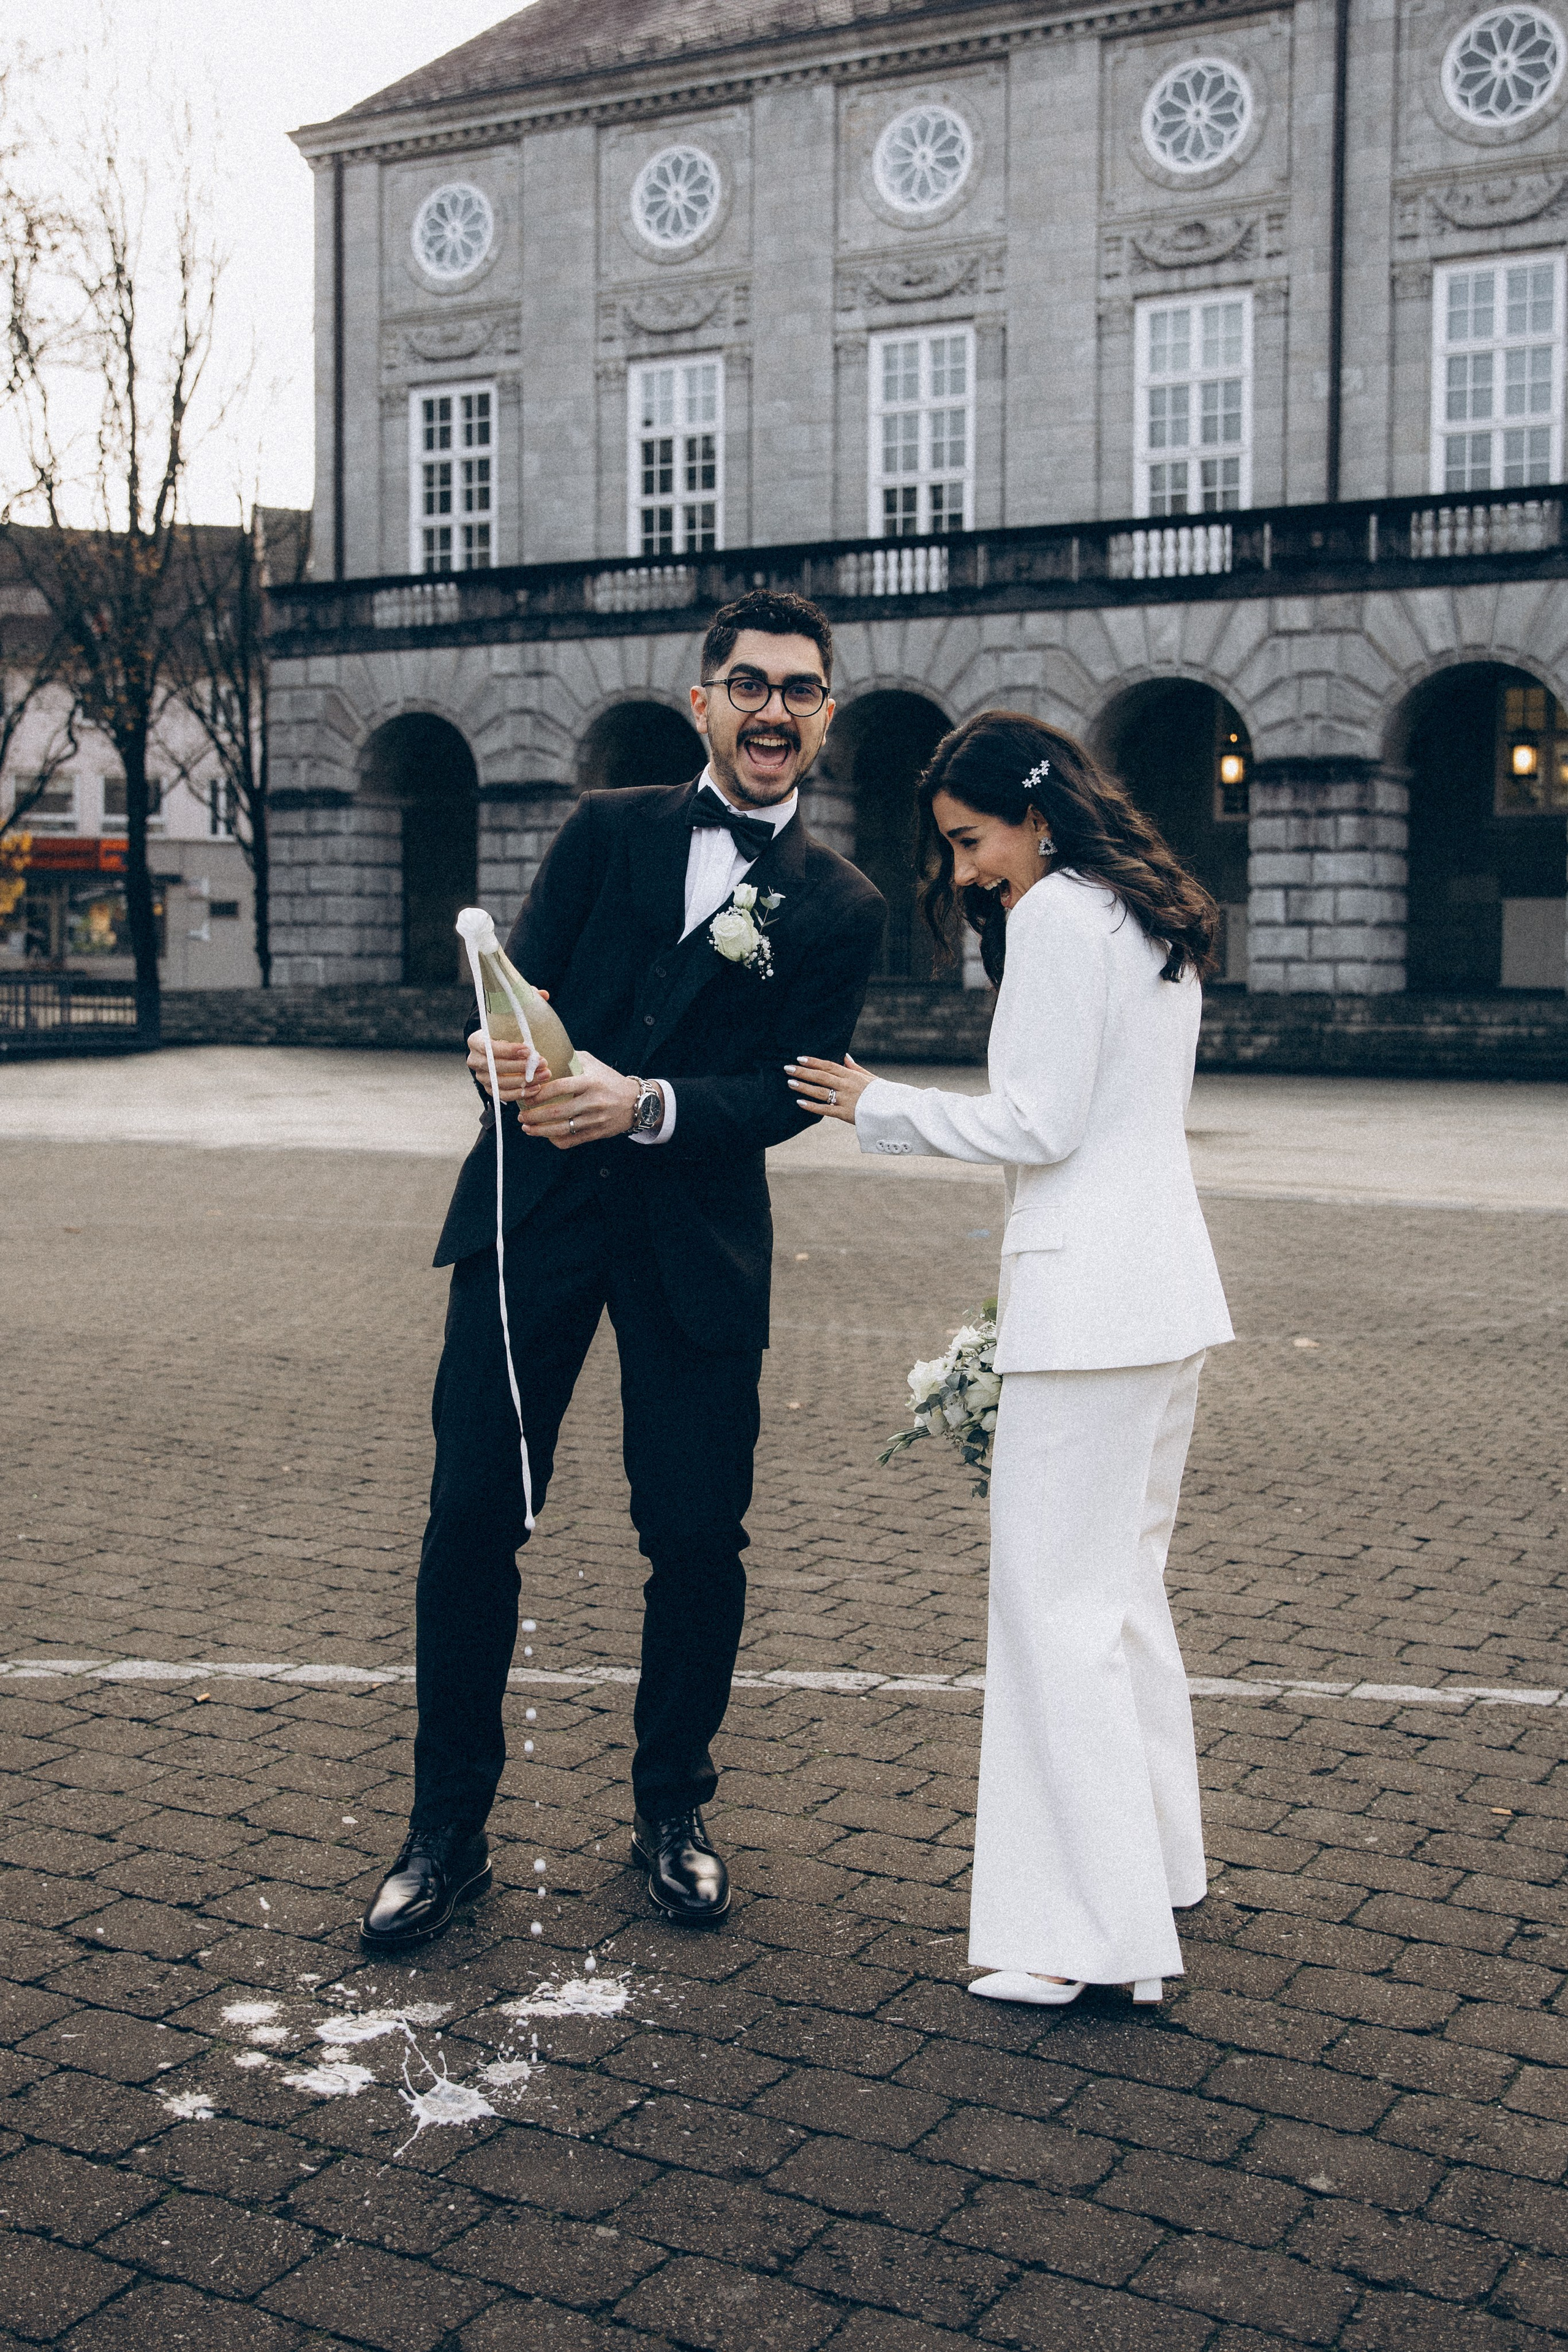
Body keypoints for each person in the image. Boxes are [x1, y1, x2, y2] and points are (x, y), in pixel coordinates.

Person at [362, 589, 884, 1948]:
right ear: (701, 699)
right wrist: (492, 1054)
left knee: (697, 1535)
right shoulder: (604, 831)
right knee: (473, 1514)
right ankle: (444, 1832)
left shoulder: (840, 907)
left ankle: (671, 1813)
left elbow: (790, 1093)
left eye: (802, 691)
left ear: (822, 719)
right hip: (530, 1212)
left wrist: (648, 1103)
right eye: (751, 684)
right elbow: (514, 993)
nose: (774, 709)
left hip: (694, 1242)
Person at [787, 709, 1232, 2008]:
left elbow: (1037, 1122)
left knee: (1055, 1619)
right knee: (1120, 1601)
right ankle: (1152, 1875)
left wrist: (879, 1105)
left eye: (971, 840)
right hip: (1162, 1300)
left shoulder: (1054, 917)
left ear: (1033, 815)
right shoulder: (1147, 914)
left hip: (1087, 1310)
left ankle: (1089, 1943)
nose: (969, 869)